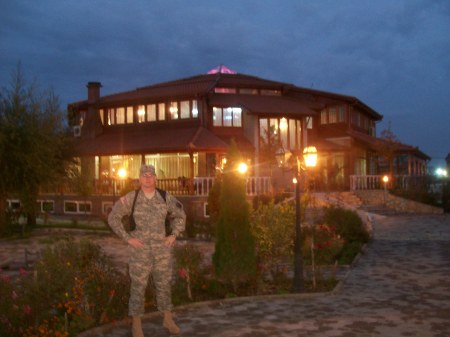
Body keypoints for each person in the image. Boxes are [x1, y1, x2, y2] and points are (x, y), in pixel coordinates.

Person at [108, 164, 186, 336]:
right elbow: (113, 217)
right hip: (140, 251)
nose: (148, 178)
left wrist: (174, 235)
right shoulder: (131, 198)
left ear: (155, 178)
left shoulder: (165, 197)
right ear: (139, 179)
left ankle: (167, 319)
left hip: (161, 250)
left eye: (151, 175)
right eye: (145, 175)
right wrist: (128, 238)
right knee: (138, 287)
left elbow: (180, 215)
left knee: (164, 285)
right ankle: (136, 325)